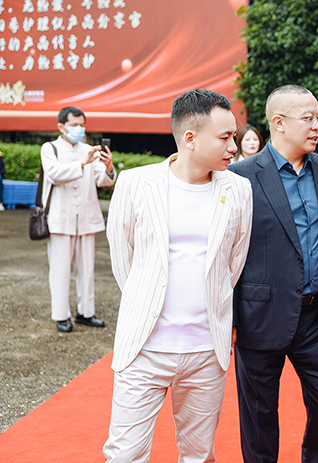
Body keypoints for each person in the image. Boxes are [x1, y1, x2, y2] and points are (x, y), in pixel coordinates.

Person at [103, 89, 253, 462]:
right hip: (144, 347)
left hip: (206, 350)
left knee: (199, 454)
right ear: (190, 138)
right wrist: (146, 300)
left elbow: (234, 261)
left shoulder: (238, 189)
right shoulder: (135, 183)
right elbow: (124, 260)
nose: (233, 146)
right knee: (124, 454)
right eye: (224, 137)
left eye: (233, 136)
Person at [229, 85, 318, 463]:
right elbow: (226, 251)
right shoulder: (241, 176)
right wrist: (229, 316)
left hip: (316, 315)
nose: (317, 126)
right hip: (260, 314)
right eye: (308, 118)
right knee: (259, 416)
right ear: (278, 123)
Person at [41, 106, 115, 332]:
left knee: (87, 270)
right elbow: (54, 175)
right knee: (60, 270)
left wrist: (108, 167)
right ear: (61, 126)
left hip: (86, 217)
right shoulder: (50, 148)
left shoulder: (89, 150)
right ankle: (61, 315)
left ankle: (86, 313)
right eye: (74, 125)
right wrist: (82, 163)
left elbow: (103, 180)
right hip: (60, 219)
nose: (79, 129)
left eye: (82, 125)